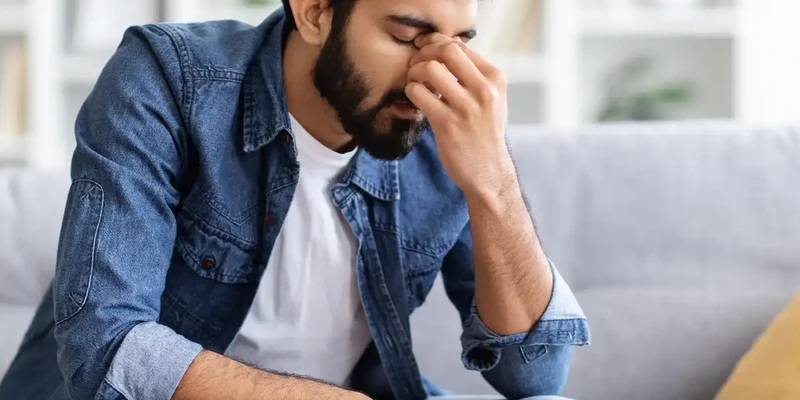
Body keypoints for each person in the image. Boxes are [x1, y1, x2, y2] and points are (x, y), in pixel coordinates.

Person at [0, 0, 589, 399]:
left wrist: (493, 181)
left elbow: (533, 376)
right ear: (314, 12)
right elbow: (106, 344)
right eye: (407, 36)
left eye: (459, 41)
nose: (435, 74)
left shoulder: (443, 126)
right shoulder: (167, 79)